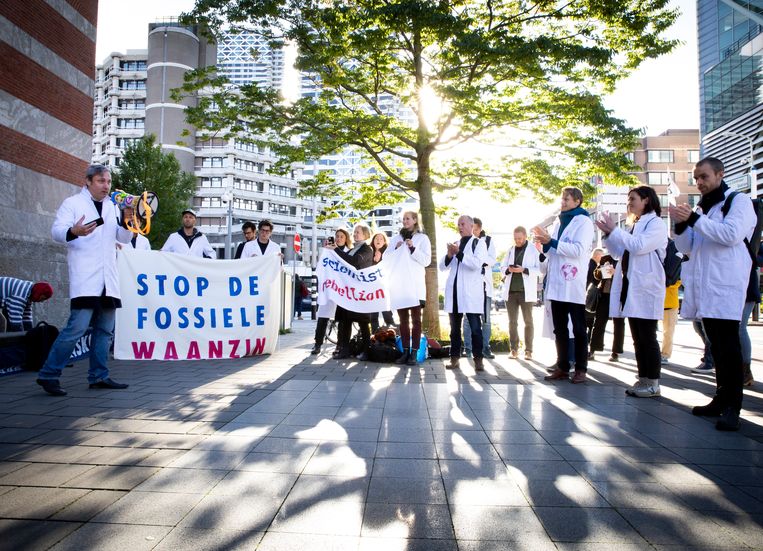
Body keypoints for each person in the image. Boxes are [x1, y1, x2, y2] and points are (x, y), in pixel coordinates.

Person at [669, 156, 756, 431]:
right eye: (696, 178)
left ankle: (733, 407)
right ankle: (720, 398)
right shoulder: (703, 207)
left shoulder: (738, 201)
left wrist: (693, 218)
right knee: (716, 346)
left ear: (720, 174)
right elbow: (688, 247)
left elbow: (730, 235)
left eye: (704, 176)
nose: (699, 183)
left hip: (726, 284)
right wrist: (681, 226)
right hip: (706, 285)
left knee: (729, 347)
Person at [36, 164, 133, 396]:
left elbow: (124, 238)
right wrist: (74, 231)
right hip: (86, 277)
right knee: (76, 329)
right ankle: (49, 374)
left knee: (105, 332)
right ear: (88, 181)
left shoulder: (112, 206)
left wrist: (129, 221)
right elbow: (56, 231)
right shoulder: (73, 203)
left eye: (108, 181)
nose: (106, 186)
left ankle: (99, 376)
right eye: (101, 181)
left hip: (108, 279)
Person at [597, 185, 668, 397]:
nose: (629, 202)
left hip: (646, 287)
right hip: (632, 286)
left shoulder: (656, 224)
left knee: (648, 336)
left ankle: (653, 382)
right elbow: (620, 252)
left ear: (646, 200)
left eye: (633, 198)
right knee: (637, 337)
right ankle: (643, 379)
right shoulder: (636, 225)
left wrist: (616, 230)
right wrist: (609, 234)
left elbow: (638, 246)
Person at [533, 187, 594, 384]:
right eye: (562, 198)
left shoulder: (584, 221)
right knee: (559, 328)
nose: (563, 202)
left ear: (577, 200)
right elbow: (555, 251)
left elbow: (578, 250)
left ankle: (581, 369)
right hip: (557, 283)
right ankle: (562, 366)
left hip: (573, 283)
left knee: (577, 327)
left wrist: (553, 242)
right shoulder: (560, 221)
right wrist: (545, 244)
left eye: (566, 199)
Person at [439, 215, 488, 371]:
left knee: (475, 327)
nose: (460, 227)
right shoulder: (455, 243)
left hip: (471, 292)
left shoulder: (479, 243)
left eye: (463, 224)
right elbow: (442, 267)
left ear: (471, 225)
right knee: (454, 329)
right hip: (454, 292)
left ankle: (478, 358)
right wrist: (449, 254)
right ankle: (454, 358)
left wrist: (459, 253)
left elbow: (475, 264)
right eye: (458, 224)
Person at [384, 211, 432, 365]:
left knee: (416, 320)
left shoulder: (422, 238)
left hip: (415, 285)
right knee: (403, 320)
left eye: (408, 218)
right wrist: (396, 249)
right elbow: (386, 257)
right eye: (403, 219)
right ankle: (404, 351)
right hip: (400, 285)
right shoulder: (396, 238)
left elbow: (426, 260)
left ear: (415, 220)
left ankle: (414, 352)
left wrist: (413, 249)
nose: (405, 221)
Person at [331, 225, 374, 360]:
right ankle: (345, 349)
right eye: (354, 232)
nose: (355, 234)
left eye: (358, 233)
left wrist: (336, 250)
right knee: (345, 320)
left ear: (366, 235)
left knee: (363, 322)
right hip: (348, 291)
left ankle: (367, 351)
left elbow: (355, 262)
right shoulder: (351, 250)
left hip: (359, 291)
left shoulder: (367, 249)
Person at [500, 226, 541, 359]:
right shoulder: (510, 250)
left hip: (525, 292)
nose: (517, 241)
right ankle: (514, 349)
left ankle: (529, 350)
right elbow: (502, 266)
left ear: (525, 237)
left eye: (520, 238)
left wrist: (524, 270)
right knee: (512, 322)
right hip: (511, 292)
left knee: (528, 321)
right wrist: (508, 270)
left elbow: (540, 270)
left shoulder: (533, 250)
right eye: (515, 238)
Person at [311, 229, 351, 355]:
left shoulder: (348, 252)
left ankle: (339, 345)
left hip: (341, 290)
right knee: (323, 316)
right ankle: (317, 344)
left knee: (342, 319)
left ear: (346, 239)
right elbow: (321, 268)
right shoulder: (328, 251)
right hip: (329, 289)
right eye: (337, 236)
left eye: (341, 236)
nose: (339, 239)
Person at [463, 218, 497, 359]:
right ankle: (468, 348)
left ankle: (485, 347)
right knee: (467, 319)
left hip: (484, 285)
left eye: (476, 229)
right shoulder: (466, 242)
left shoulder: (487, 241)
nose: (474, 232)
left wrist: (478, 262)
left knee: (486, 319)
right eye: (472, 229)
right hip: (470, 286)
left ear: (480, 229)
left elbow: (491, 259)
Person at [587, 254, 625, 362]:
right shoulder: (606, 258)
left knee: (619, 324)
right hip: (605, 295)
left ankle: (616, 352)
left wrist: (617, 274)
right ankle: (593, 349)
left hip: (619, 296)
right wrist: (604, 270)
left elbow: (629, 276)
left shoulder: (626, 257)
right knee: (598, 323)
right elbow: (596, 276)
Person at [740, 243, 762, 386]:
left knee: (740, 328)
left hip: (747, 292)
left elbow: (758, 260)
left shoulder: (751, 244)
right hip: (740, 291)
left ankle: (745, 370)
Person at [370, 232, 396, 330]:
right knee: (373, 316)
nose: (378, 240)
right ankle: (374, 337)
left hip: (384, 288)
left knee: (387, 314)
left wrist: (380, 259)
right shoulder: (369, 251)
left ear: (384, 241)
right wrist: (374, 261)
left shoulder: (388, 253)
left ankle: (392, 335)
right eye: (376, 238)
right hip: (372, 289)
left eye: (381, 239)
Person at [661, 278, 681, 365]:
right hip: (656, 303)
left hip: (670, 304)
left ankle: (665, 355)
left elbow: (678, 282)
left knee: (668, 332)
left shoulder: (675, 265)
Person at [585, 248, 604, 342]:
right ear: (596, 256)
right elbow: (595, 280)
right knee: (589, 320)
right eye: (602, 256)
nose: (603, 258)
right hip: (589, 296)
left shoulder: (590, 264)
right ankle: (587, 340)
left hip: (587, 294)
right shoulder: (592, 265)